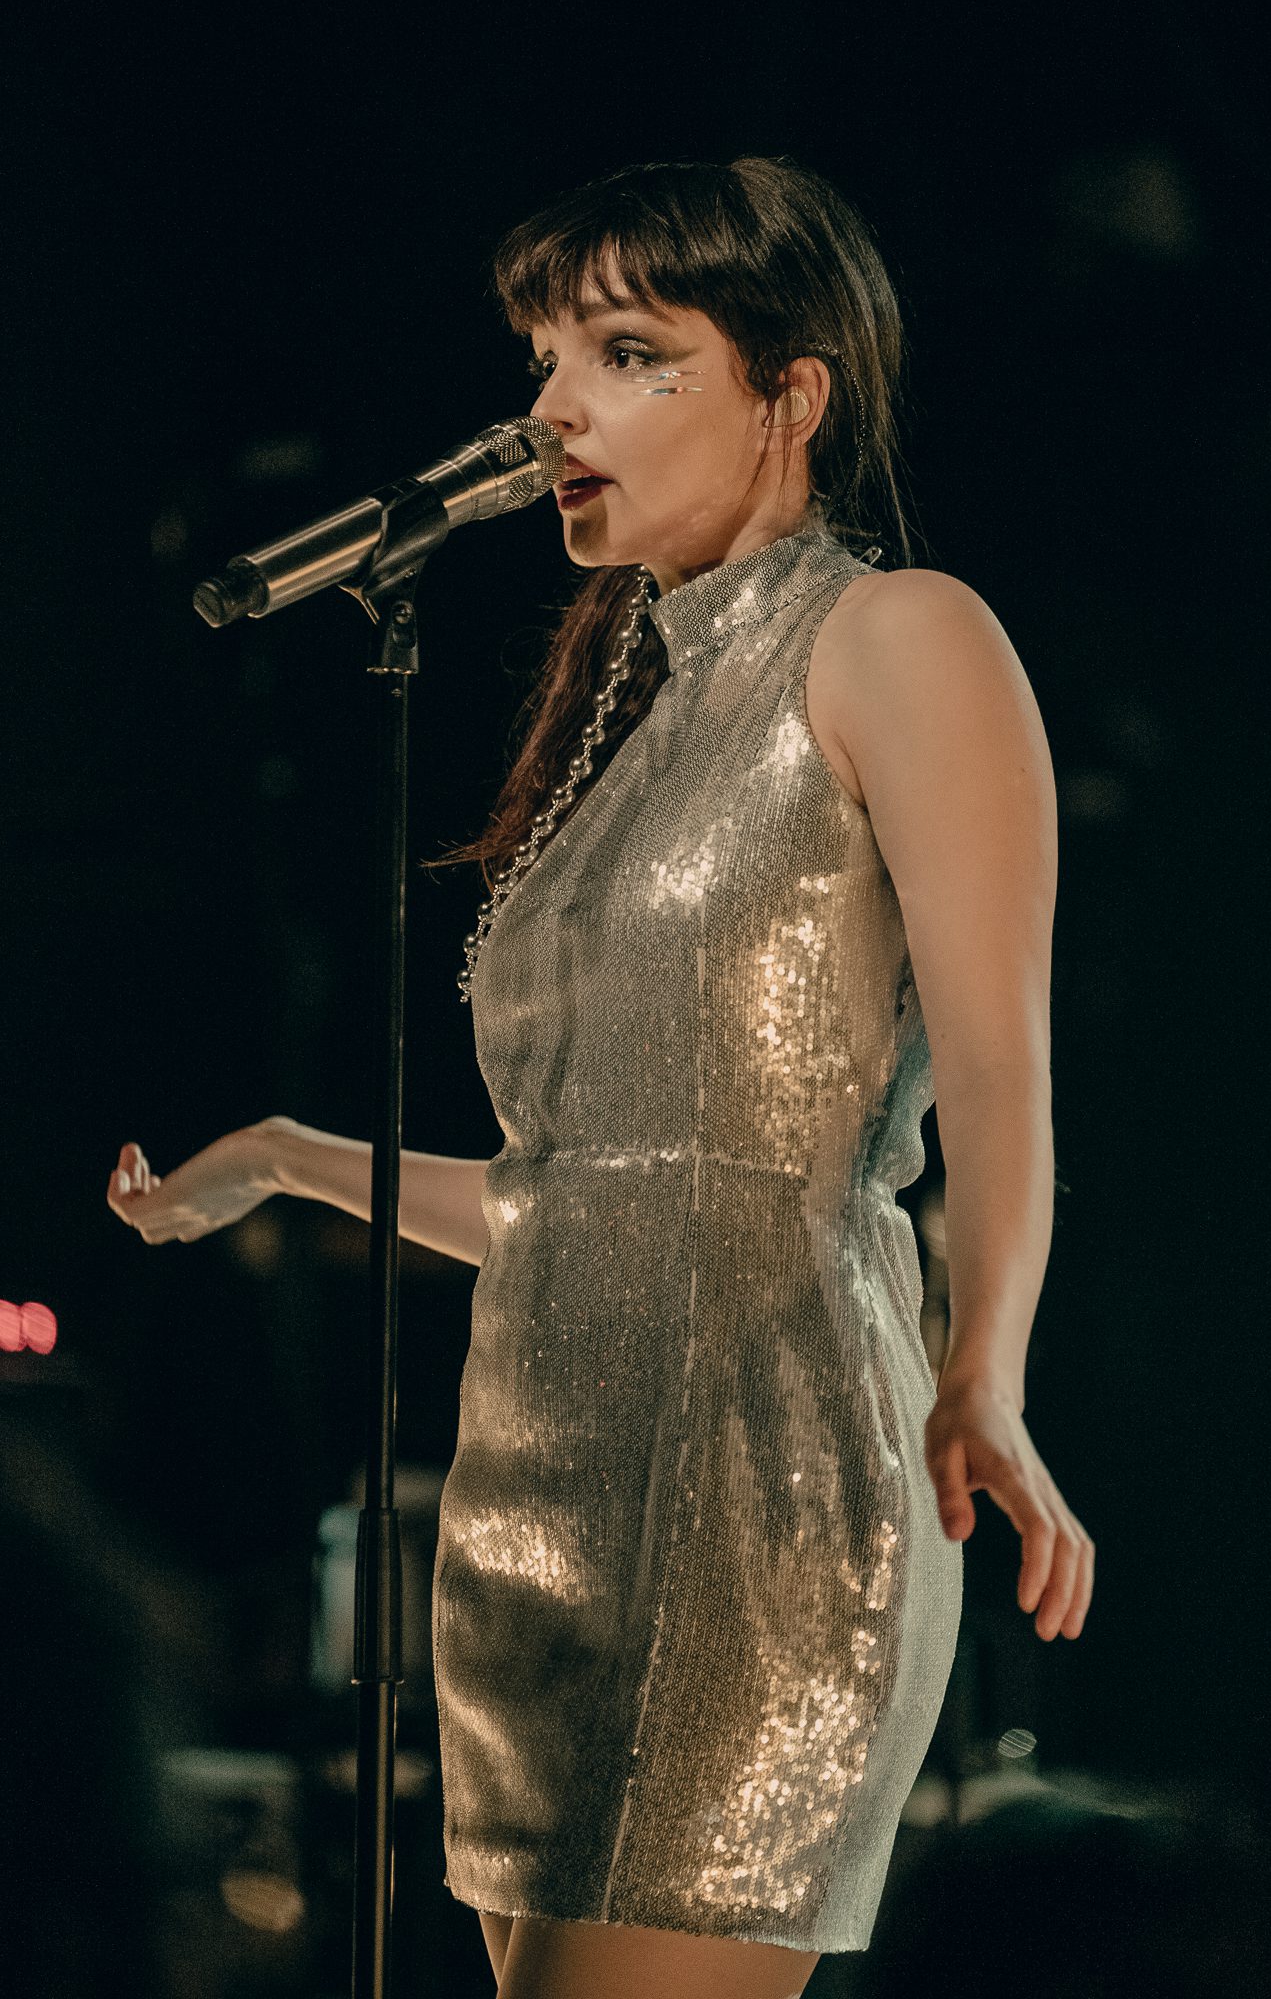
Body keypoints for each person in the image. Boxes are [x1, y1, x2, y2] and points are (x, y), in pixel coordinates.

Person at [109, 155, 1094, 1999]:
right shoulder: (630, 723)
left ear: (791, 392)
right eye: (542, 352)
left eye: (629, 352)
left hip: (754, 1481)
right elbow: (597, 1198)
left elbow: (998, 1070)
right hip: (533, 1511)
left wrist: (983, 1374)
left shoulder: (897, 636)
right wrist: (295, 1155)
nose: (550, 407)